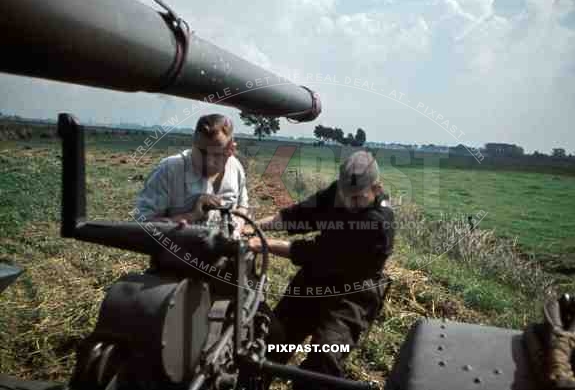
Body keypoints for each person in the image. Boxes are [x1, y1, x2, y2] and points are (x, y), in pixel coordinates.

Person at [245, 150, 395, 389]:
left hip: (353, 293)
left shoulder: (378, 223)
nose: (349, 202)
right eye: (345, 196)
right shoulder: (341, 191)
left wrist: (265, 244)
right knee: (273, 339)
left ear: (377, 189)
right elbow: (301, 215)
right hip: (316, 279)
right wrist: (253, 226)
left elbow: (317, 253)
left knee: (324, 356)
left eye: (357, 198)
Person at [134, 113, 249, 235]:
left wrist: (236, 229)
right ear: (193, 144)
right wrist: (191, 216)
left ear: (231, 149)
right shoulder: (169, 171)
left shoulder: (235, 168)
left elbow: (242, 207)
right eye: (203, 153)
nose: (209, 162)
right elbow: (141, 226)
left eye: (217, 154)